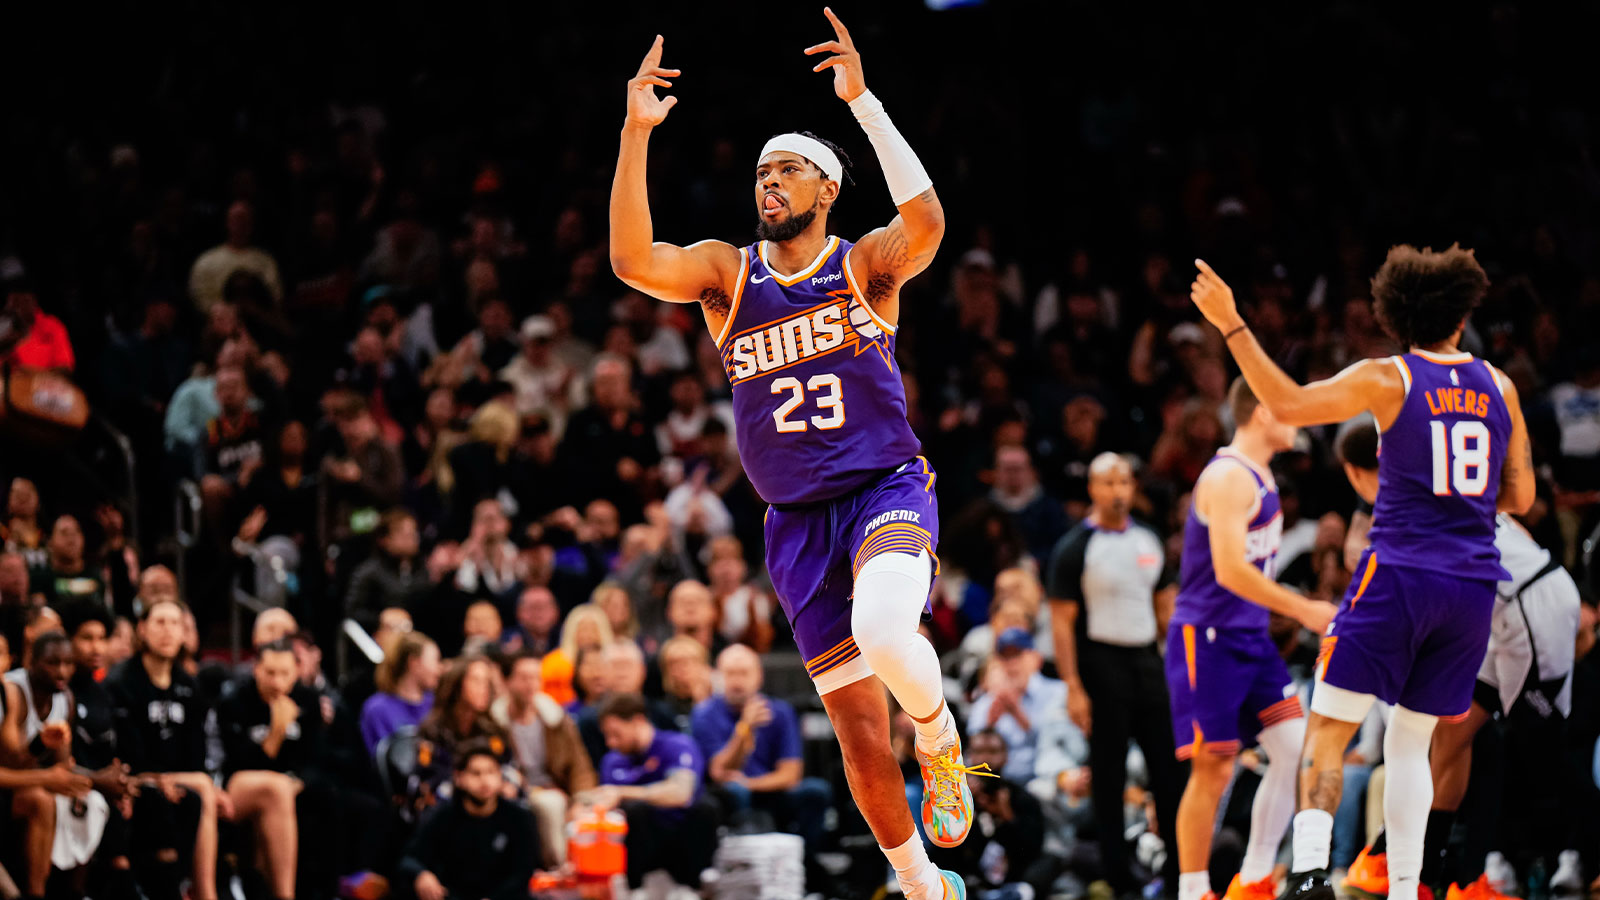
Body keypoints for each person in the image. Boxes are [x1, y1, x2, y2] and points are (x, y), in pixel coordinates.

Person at [609, 14, 971, 897]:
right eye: (764, 171)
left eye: (789, 169)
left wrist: (865, 103)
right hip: (795, 523)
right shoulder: (726, 275)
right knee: (853, 733)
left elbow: (926, 220)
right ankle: (923, 885)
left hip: (884, 487)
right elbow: (628, 259)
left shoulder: (865, 267)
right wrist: (634, 132)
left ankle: (939, 737)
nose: (769, 182)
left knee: (888, 632)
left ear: (828, 187)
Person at [1187, 247, 1535, 900]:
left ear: (1396, 318)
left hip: (1400, 574)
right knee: (1412, 744)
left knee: (1328, 727)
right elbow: (1518, 499)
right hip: (1470, 589)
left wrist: (1232, 324)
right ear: (1461, 317)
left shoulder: (1391, 377)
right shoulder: (1501, 385)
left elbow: (1287, 404)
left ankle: (1313, 873)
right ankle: (1406, 890)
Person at [1337, 417, 1583, 899]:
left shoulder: (1412, 505)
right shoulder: (1429, 482)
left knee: (1545, 748)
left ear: (1359, 471)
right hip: (1495, 614)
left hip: (1531, 607)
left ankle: (1576, 855)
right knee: (1451, 736)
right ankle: (1430, 875)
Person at [1160, 378, 1336, 900]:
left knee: (1294, 750)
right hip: (1208, 637)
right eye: (1286, 407)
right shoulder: (1229, 477)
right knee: (1212, 768)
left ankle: (1255, 877)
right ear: (1261, 412)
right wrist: (1304, 608)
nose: (1297, 417)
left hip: (1249, 638)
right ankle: (1193, 890)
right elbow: (1232, 571)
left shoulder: (1261, 474)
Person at [1046, 451, 1186, 898]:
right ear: (1092, 489)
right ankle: (1119, 879)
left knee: (1170, 773)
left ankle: (1181, 874)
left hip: (1148, 661)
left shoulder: (1148, 539)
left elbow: (1168, 611)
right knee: (1109, 778)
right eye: (1108, 483)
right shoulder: (1075, 547)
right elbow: (1061, 624)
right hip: (1100, 664)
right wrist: (1073, 687)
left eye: (1124, 482)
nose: (1117, 490)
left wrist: (1185, 670)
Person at [105, 598, 226, 900]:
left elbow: (196, 752)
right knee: (201, 786)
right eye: (160, 622)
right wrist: (156, 777)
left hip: (179, 778)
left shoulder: (189, 685)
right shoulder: (121, 682)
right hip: (132, 778)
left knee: (202, 788)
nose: (168, 631)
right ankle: (205, 892)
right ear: (142, 630)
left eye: (176, 624)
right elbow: (124, 750)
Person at [692, 644, 831, 850]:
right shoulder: (704, 713)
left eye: (744, 673)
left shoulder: (780, 712)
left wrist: (750, 783)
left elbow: (791, 774)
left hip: (769, 790)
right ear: (718, 677)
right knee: (735, 791)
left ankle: (806, 860)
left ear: (759, 676)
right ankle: (746, 857)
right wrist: (744, 730)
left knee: (816, 791)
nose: (737, 681)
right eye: (730, 673)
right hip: (729, 796)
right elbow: (719, 773)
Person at [215, 639, 323, 900]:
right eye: (270, 673)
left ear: (297, 672)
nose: (277, 682)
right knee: (276, 789)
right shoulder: (234, 701)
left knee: (320, 796)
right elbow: (238, 761)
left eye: (284, 674)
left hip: (289, 785)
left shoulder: (308, 699)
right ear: (256, 669)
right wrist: (277, 730)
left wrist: (299, 782)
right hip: (236, 783)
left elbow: (317, 758)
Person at [593, 692, 715, 890]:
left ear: (638, 721)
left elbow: (681, 793)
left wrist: (624, 792)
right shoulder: (612, 761)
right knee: (631, 813)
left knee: (706, 807)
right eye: (606, 736)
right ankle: (634, 889)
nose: (610, 742)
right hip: (638, 848)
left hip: (680, 837)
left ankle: (694, 886)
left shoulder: (677, 745)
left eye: (616, 734)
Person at [398, 739, 537, 900]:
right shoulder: (443, 816)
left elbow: (522, 873)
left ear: (500, 776)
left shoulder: (520, 818)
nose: (485, 781)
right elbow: (410, 858)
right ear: (459, 778)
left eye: (491, 772)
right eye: (476, 773)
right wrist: (421, 875)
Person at [496, 651, 596, 868]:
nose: (530, 685)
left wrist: (580, 801)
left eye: (535, 678)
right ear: (508, 681)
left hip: (559, 792)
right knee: (549, 804)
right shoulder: (495, 724)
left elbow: (580, 767)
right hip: (516, 792)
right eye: (523, 678)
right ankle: (558, 869)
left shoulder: (557, 720)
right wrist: (528, 788)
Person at [359, 632, 440, 755]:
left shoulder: (436, 704)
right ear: (414, 663)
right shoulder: (377, 709)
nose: (439, 669)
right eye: (436, 660)